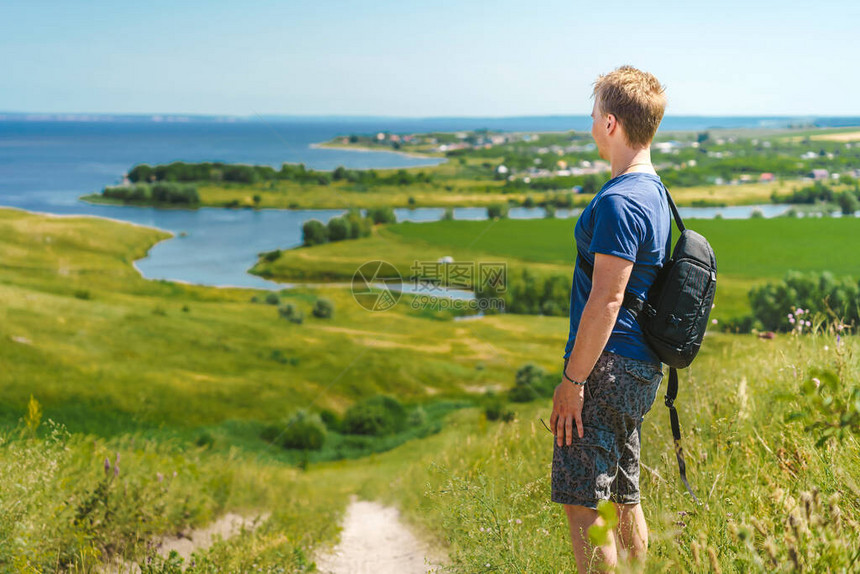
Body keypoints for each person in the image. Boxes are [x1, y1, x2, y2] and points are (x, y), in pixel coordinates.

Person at [549, 65, 670, 573]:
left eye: (594, 114)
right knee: (623, 497)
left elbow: (607, 300)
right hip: (638, 368)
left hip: (606, 366)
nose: (591, 124)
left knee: (585, 504)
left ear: (612, 123)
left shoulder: (621, 201)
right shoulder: (655, 192)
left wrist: (573, 380)